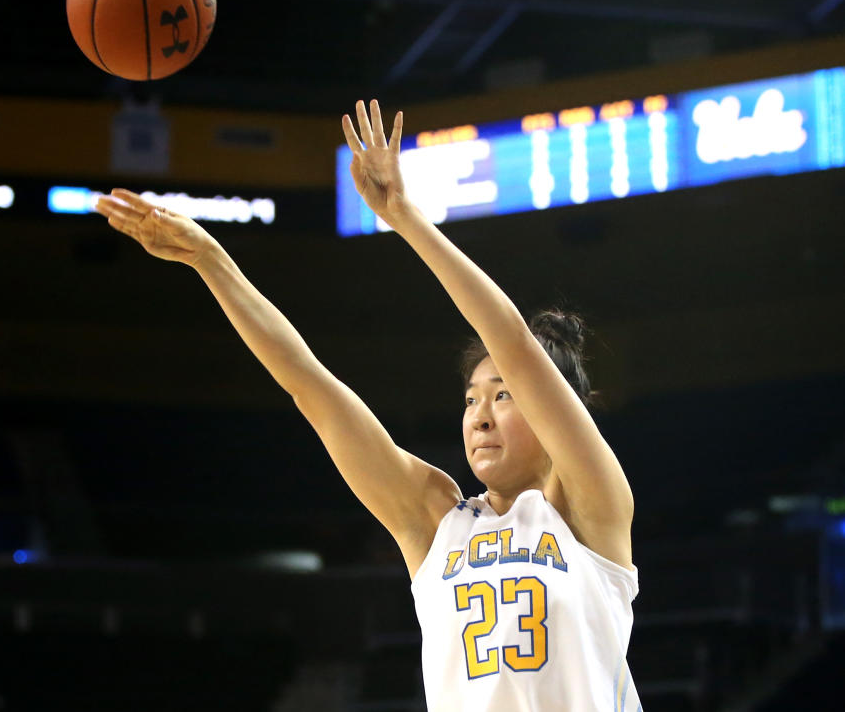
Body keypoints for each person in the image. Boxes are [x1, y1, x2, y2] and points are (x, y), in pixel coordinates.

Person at [94, 100, 640, 711]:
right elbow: (311, 388)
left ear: (552, 407)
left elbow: (508, 338)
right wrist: (211, 262)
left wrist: (403, 216)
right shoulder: (437, 519)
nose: (480, 415)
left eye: (504, 394)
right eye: (470, 399)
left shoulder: (593, 510)